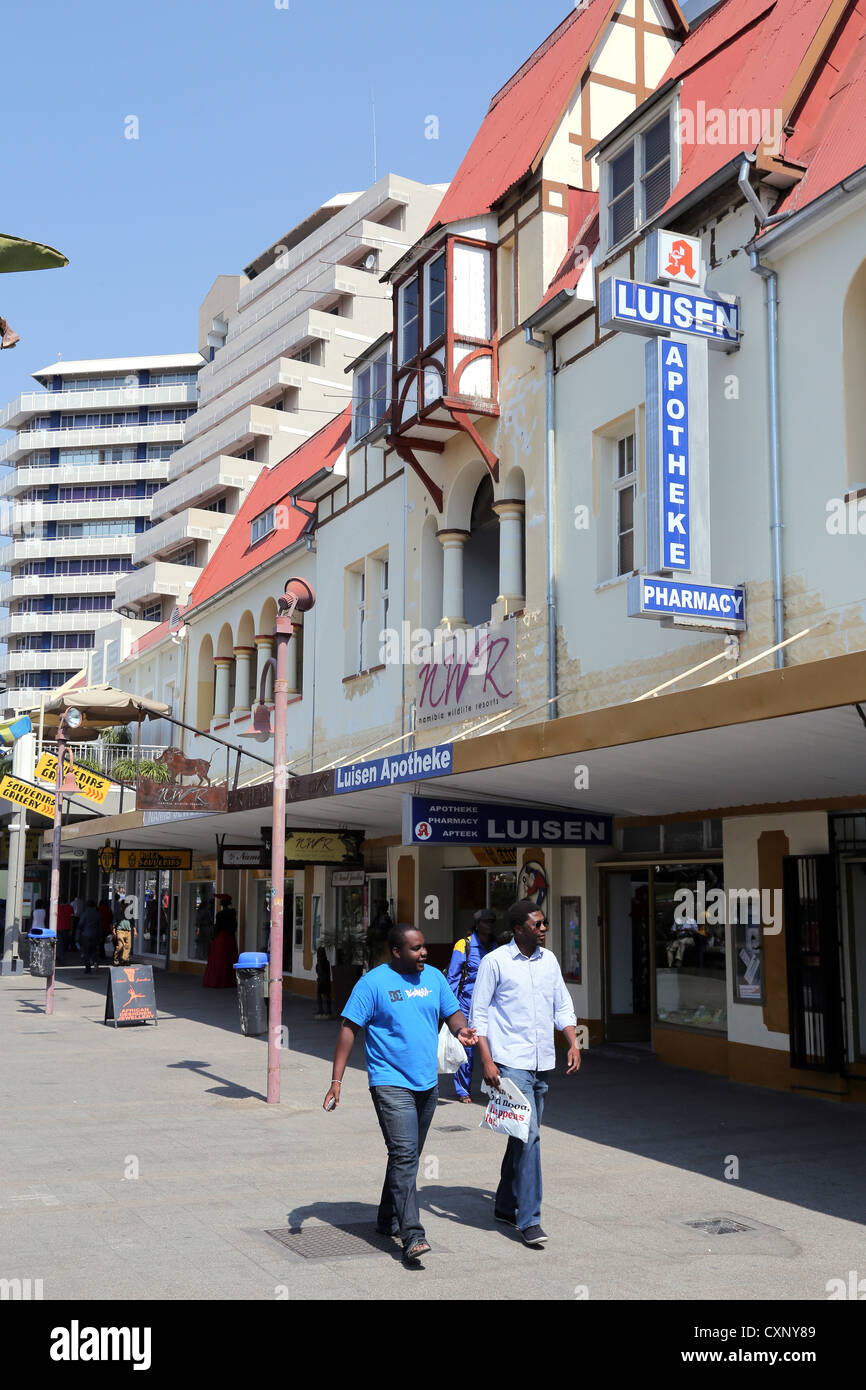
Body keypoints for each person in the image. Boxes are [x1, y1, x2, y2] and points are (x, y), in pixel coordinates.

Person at [323, 924, 477, 1264]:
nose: (424, 952)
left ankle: (385, 1218)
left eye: (423, 947)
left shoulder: (434, 978)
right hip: (389, 1082)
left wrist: (461, 1030)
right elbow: (349, 1029)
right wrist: (337, 1081)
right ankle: (412, 1235)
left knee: (406, 1156)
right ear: (396, 951)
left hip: (427, 1083)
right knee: (405, 1154)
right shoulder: (373, 983)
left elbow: (452, 1014)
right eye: (416, 948)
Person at [471, 898, 581, 1248]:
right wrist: (487, 1062)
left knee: (520, 1135)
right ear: (518, 929)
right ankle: (529, 1219)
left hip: (541, 1062)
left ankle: (504, 1204)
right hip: (509, 1064)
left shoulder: (548, 960)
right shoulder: (495, 962)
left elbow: (562, 1004)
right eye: (538, 924)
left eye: (544, 923)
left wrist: (573, 1043)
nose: (544, 928)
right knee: (530, 1138)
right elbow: (479, 1016)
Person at [445, 908, 498, 1102]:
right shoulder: (464, 945)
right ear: (477, 925)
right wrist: (449, 1008)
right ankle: (462, 1090)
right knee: (466, 1049)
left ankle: (495, 1086)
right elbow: (453, 976)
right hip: (465, 1004)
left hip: (488, 1005)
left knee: (491, 1047)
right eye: (486, 922)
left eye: (492, 922)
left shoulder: (494, 946)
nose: (489, 926)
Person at [202, 900, 239, 988]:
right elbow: (235, 926)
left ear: (222, 905)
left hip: (221, 938)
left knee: (219, 959)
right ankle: (230, 981)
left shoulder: (220, 915)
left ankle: (218, 981)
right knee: (230, 958)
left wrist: (213, 936)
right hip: (230, 938)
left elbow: (218, 927)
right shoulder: (233, 914)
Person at [78, 899, 103, 974]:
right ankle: (95, 962)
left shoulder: (85, 913)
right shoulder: (97, 913)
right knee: (94, 950)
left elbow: (80, 924)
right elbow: (100, 926)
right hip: (95, 934)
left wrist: (81, 930)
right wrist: (100, 935)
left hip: (86, 934)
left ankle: (88, 967)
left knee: (86, 952)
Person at [315, 946, 332, 1018]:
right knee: (327, 995)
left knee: (319, 995)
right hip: (327, 981)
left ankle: (321, 1010)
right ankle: (328, 1010)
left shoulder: (319, 962)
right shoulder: (327, 962)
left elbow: (320, 971)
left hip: (321, 981)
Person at [57, 900, 74, 965]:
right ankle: (62, 957)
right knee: (64, 944)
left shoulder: (57, 907)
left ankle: (60, 958)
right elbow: (72, 919)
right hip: (67, 927)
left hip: (58, 927)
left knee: (59, 944)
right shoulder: (70, 907)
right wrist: (71, 929)